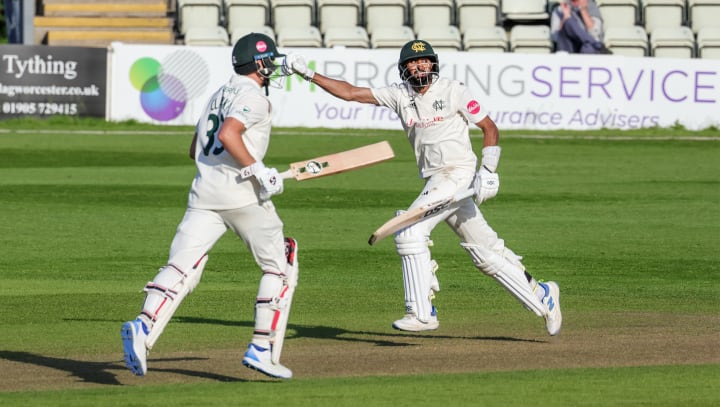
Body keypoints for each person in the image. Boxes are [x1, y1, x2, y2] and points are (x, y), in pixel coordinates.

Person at [284, 40, 562, 335]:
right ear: (404, 68)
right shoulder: (399, 95)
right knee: (486, 251)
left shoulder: (454, 89)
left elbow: (489, 128)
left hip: (458, 174)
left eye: (424, 61)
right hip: (436, 179)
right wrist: (308, 73)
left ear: (433, 64)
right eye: (413, 63)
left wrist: (489, 170)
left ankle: (421, 312)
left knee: (410, 231)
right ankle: (542, 294)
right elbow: (352, 93)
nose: (419, 66)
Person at [121, 32, 298, 380]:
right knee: (281, 265)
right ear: (259, 64)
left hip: (203, 194)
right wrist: (259, 171)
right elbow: (228, 135)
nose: (274, 67)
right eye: (270, 61)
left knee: (181, 266)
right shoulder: (254, 98)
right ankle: (262, 348)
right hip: (242, 196)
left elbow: (195, 149)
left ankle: (143, 325)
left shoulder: (217, 95)